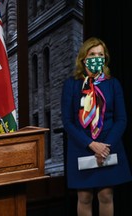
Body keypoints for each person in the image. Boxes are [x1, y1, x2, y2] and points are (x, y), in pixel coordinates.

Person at [61, 37, 132, 216]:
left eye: (100, 54)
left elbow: (121, 119)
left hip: (109, 145)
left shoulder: (113, 84)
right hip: (82, 146)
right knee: (84, 197)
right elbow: (68, 122)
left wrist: (105, 146)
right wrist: (91, 144)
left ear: (105, 58)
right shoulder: (71, 84)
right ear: (83, 58)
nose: (96, 58)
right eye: (92, 54)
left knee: (106, 195)